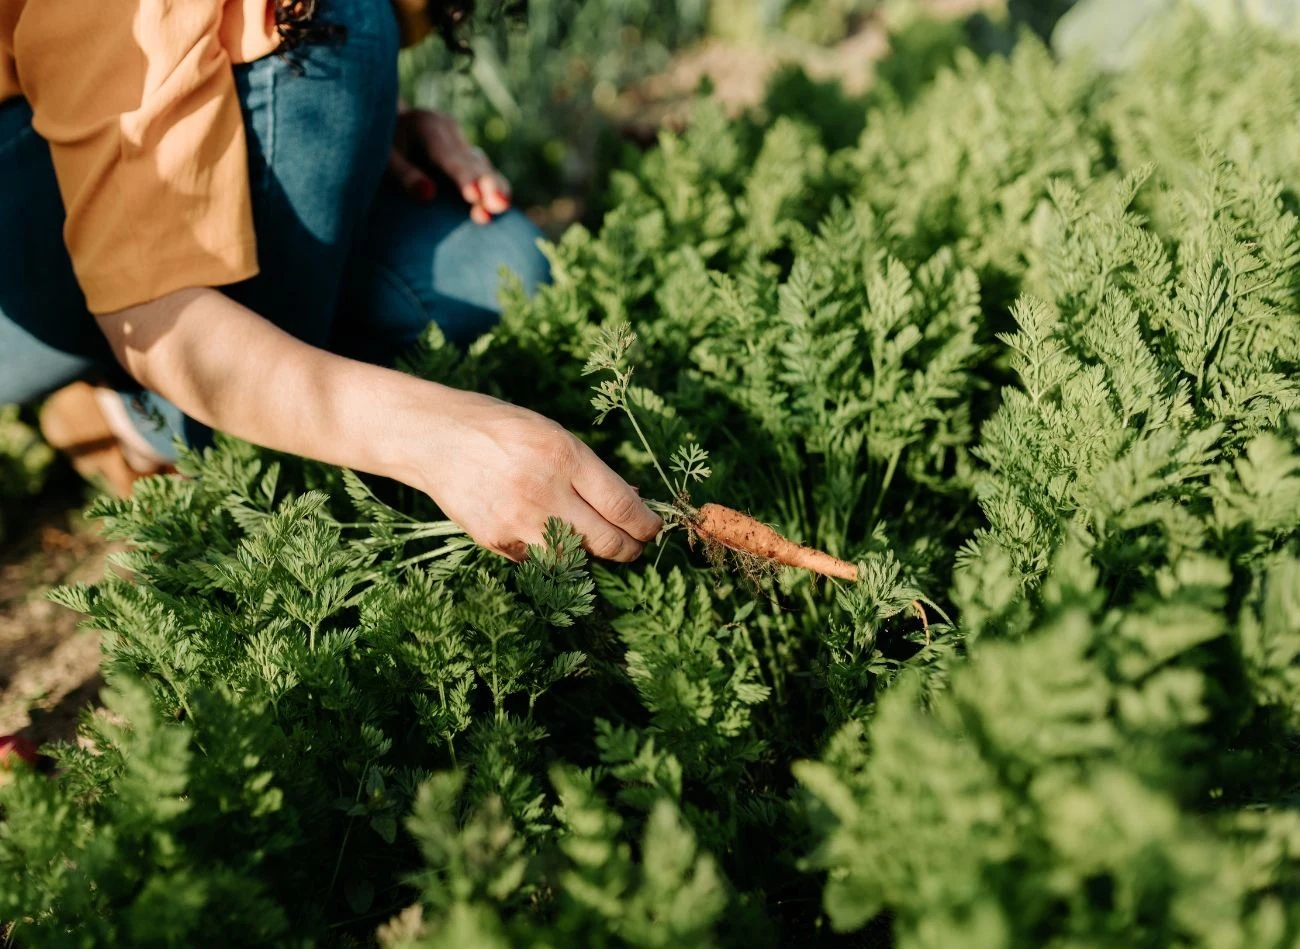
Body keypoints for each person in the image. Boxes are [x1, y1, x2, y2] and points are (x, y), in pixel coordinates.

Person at [0, 0, 661, 563]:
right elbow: (155, 317)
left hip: (91, 106)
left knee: (496, 277)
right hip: (26, 223)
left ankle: (235, 398)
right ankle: (170, 422)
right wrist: (439, 439)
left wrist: (377, 117)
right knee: (338, 17)